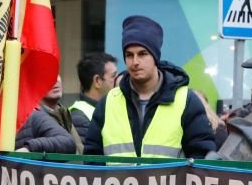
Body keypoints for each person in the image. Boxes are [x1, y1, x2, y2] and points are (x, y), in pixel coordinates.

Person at [85, 15, 216, 159]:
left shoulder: (186, 100)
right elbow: (93, 159)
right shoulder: (108, 102)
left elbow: (202, 158)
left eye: (142, 54)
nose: (135, 62)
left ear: (155, 56)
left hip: (170, 182)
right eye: (129, 55)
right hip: (119, 181)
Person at [70, 52, 117, 145]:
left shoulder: (111, 108)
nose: (118, 80)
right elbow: (87, 156)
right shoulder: (79, 117)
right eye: (113, 76)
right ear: (97, 81)